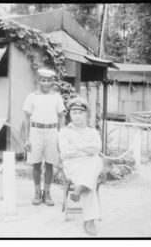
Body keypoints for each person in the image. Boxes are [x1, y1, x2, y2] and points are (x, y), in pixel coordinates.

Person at [58, 97, 103, 236]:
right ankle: (89, 221)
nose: (77, 115)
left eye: (80, 112)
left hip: (91, 162)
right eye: (74, 113)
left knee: (94, 161)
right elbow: (65, 152)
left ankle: (78, 190)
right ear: (70, 115)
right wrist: (84, 149)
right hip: (73, 165)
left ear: (86, 114)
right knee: (88, 182)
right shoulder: (64, 132)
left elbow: (97, 149)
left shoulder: (92, 131)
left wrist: (76, 147)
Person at [23, 68, 66, 206]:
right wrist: (26, 139)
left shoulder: (57, 97)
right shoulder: (32, 97)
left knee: (49, 164)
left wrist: (61, 136)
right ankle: (37, 192)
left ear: (52, 82)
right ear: (39, 81)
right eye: (43, 80)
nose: (45, 83)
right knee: (35, 164)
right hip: (36, 132)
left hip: (52, 132)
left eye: (48, 80)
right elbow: (26, 119)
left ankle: (47, 193)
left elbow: (61, 117)